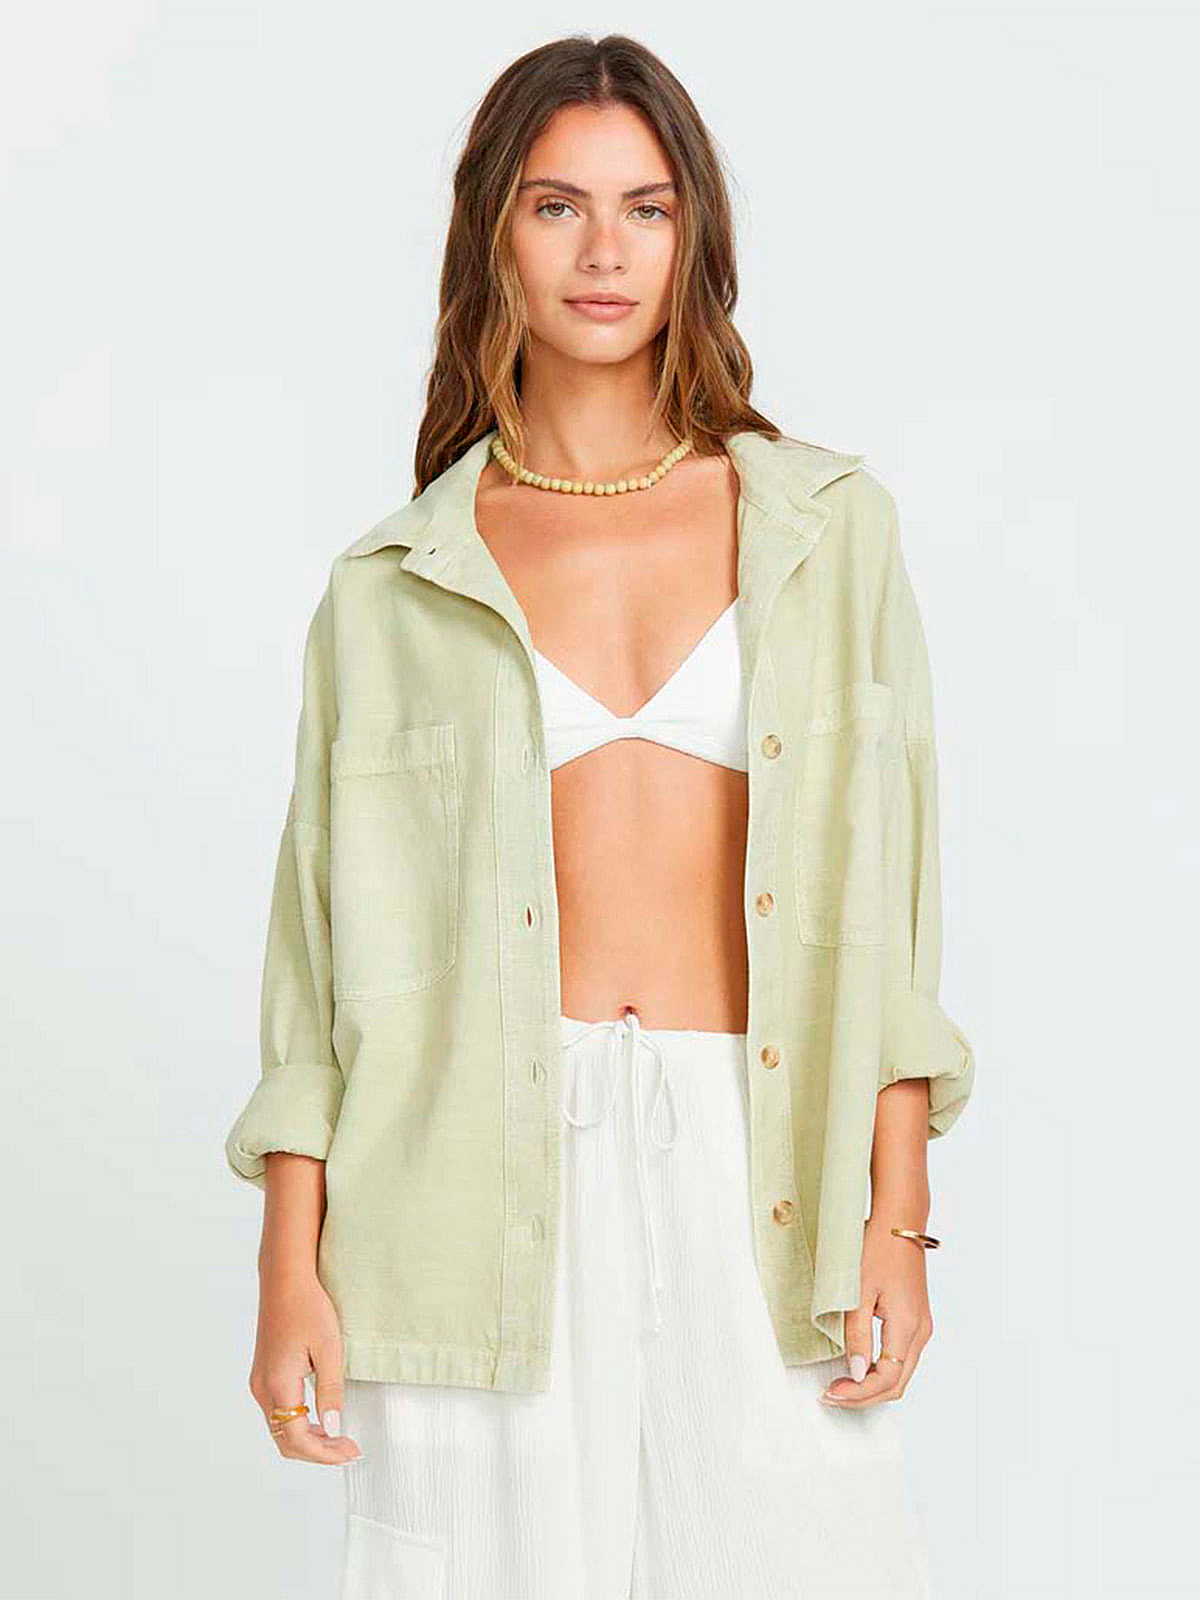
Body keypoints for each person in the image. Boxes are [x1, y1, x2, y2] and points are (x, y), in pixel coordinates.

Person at [224, 32, 976, 1600]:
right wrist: (289, 1259)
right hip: (463, 1185)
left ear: (694, 233)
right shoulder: (394, 584)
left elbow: (895, 902)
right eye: (558, 205)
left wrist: (897, 1218)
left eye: (646, 207)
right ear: (494, 231)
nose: (604, 251)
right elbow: (315, 962)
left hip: (761, 1162)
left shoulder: (823, 531)